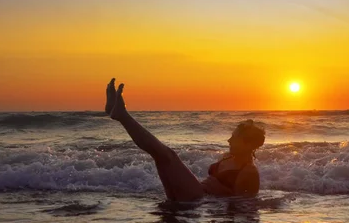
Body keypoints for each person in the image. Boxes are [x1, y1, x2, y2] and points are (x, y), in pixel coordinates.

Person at [105, 78, 264, 202]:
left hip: (200, 199)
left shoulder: (249, 172)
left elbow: (245, 205)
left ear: (248, 144)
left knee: (168, 155)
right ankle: (119, 115)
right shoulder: (227, 157)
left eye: (234, 137)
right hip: (194, 195)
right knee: (159, 157)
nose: (229, 140)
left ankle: (122, 116)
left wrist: (221, 194)